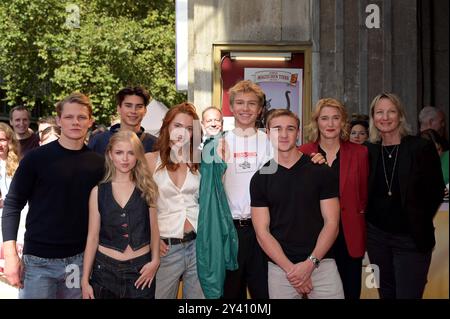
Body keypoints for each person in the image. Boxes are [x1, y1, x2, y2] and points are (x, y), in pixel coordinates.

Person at [1, 92, 105, 299]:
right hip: (38, 262)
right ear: (58, 120)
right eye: (69, 117)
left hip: (78, 262)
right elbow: (13, 205)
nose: (75, 122)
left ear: (90, 121)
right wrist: (11, 255)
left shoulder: (99, 164)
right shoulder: (35, 159)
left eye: (81, 117)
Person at [251, 109, 344, 299]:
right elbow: (262, 232)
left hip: (321, 263)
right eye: (277, 129)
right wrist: (293, 271)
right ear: (267, 133)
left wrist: (310, 264)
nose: (284, 135)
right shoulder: (260, 178)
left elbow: (332, 223)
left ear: (298, 133)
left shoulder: (320, 171)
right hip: (281, 268)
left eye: (290, 129)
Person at [366, 92, 445, 299]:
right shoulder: (367, 151)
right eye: (380, 112)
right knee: (385, 294)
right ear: (373, 117)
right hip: (376, 240)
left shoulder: (420, 148)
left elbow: (435, 191)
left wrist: (416, 220)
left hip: (411, 240)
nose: (385, 117)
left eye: (391, 111)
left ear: (400, 115)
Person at [299, 98, 368, 299]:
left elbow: (363, 196)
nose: (330, 124)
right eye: (325, 118)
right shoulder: (303, 153)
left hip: (349, 237)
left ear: (343, 122)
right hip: (314, 237)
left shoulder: (360, 153)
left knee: (350, 292)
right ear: (316, 122)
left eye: (335, 118)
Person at [81, 130, 160, 299]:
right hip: (104, 271)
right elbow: (92, 237)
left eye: (131, 153)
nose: (125, 159)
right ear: (110, 154)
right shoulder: (98, 192)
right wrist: (85, 280)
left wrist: (155, 261)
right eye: (119, 152)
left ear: (138, 156)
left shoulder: (148, 189)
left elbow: (154, 229)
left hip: (141, 272)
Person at [145, 102, 205, 299]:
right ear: (167, 127)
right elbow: (137, 205)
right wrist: (150, 238)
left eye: (189, 128)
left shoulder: (199, 161)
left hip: (198, 246)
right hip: (165, 248)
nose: (183, 133)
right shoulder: (150, 160)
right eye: (177, 126)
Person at [221, 80, 272, 299]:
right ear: (231, 107)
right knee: (231, 294)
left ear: (260, 109)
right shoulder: (217, 144)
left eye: (252, 104)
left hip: (265, 231)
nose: (245, 108)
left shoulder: (272, 142)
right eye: (240, 103)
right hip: (230, 231)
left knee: (264, 293)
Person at [196, 106, 239, 298]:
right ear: (203, 124)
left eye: (217, 120)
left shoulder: (224, 143)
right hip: (205, 208)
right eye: (209, 120)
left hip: (221, 208)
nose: (214, 123)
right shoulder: (201, 147)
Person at [88, 86, 157, 155]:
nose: (133, 111)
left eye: (139, 106)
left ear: (145, 111)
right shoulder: (99, 141)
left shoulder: (155, 144)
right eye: (128, 106)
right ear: (119, 109)